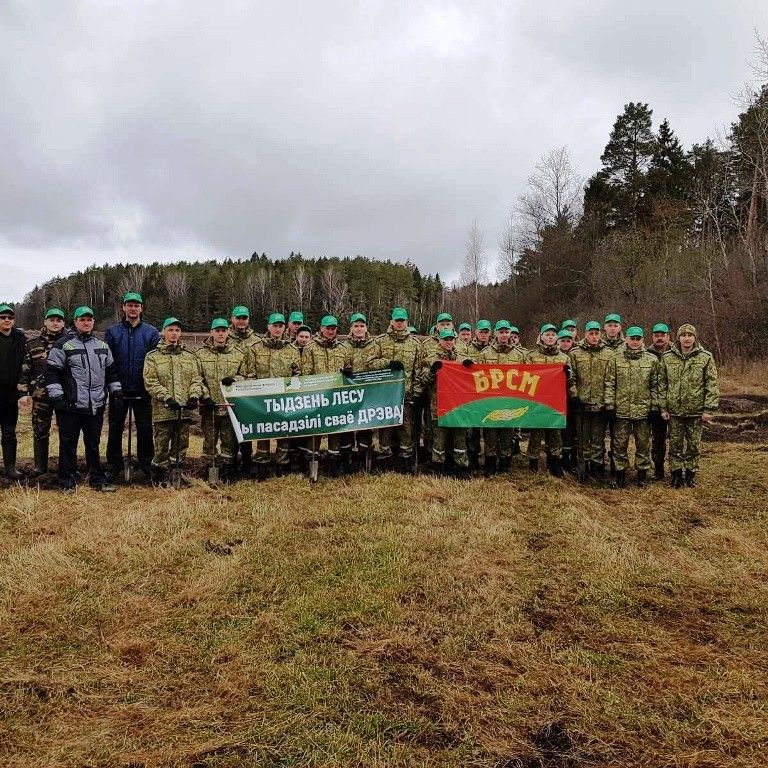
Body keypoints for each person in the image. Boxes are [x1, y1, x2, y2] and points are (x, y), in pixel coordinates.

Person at [45, 306, 122, 492]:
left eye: (89, 319)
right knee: (68, 444)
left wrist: (116, 391)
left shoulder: (102, 346)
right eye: (82, 319)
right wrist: (57, 398)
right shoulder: (63, 345)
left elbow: (111, 372)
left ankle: (97, 479)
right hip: (70, 405)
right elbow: (52, 373)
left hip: (95, 405)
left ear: (93, 322)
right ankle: (67, 481)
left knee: (93, 443)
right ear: (75, 322)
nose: (86, 322)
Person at [104, 292, 160, 481]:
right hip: (119, 389)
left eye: (136, 305)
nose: (133, 308)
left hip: (142, 389)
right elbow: (108, 362)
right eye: (130, 305)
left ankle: (145, 463)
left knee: (145, 428)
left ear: (141, 308)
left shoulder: (151, 332)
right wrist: (113, 386)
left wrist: (148, 385)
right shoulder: (112, 332)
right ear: (124, 307)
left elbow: (155, 361)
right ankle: (114, 464)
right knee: (115, 428)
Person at [143, 318, 204, 487]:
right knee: (161, 446)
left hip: (183, 410)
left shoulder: (189, 357)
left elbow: (196, 379)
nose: (174, 334)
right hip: (163, 410)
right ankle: (158, 478)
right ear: (163, 332)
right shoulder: (153, 357)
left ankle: (176, 475)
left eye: (177, 330)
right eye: (170, 330)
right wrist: (167, 397)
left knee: (181, 445)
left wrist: (193, 396)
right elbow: (150, 381)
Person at [658, 324, 719, 488]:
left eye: (690, 335)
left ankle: (691, 475)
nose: (686, 338)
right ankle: (676, 474)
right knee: (675, 445)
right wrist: (663, 408)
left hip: (696, 411)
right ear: (678, 338)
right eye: (683, 335)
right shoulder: (667, 357)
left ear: (695, 338)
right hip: (674, 411)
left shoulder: (705, 357)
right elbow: (662, 384)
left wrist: (709, 409)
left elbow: (711, 384)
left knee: (693, 445)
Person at [366, 307, 424, 473]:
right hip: (385, 394)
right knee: (385, 427)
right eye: (396, 320)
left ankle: (405, 461)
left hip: (406, 394)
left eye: (402, 320)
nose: (399, 323)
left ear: (406, 322)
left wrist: (416, 393)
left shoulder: (414, 344)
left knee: (406, 428)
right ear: (391, 321)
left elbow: (418, 371)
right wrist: (387, 363)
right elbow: (369, 364)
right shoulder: (380, 341)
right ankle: (384, 460)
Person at [604, 327, 661, 487]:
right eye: (632, 338)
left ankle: (642, 475)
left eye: (638, 339)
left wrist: (655, 408)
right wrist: (609, 406)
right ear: (626, 339)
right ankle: (619, 475)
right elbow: (610, 383)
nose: (635, 342)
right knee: (619, 444)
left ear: (643, 340)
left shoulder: (651, 360)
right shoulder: (616, 359)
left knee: (643, 444)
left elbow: (656, 385)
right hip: (621, 411)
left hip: (643, 412)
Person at [196, 318, 248, 483]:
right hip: (209, 407)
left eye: (223, 330)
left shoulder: (238, 354)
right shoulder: (200, 354)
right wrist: (205, 396)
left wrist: (234, 379)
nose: (220, 334)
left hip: (229, 408)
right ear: (212, 332)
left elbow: (246, 376)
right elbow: (196, 378)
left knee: (229, 444)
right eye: (217, 330)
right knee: (209, 443)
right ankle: (208, 473)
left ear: (228, 332)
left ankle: (227, 473)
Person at [301, 315, 353, 476]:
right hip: (317, 398)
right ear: (321, 328)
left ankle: (334, 465)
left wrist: (347, 373)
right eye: (328, 328)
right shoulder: (310, 348)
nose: (330, 331)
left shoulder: (343, 349)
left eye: (333, 328)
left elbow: (348, 370)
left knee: (335, 432)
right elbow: (306, 374)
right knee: (315, 432)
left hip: (336, 399)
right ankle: (310, 465)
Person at [250, 312, 301, 477]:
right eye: (275, 326)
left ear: (284, 327)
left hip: (284, 400)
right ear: (268, 327)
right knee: (263, 432)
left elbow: (298, 373)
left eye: (280, 326)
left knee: (283, 432)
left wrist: (291, 387)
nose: (277, 329)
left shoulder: (291, 349)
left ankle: (282, 465)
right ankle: (261, 466)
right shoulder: (256, 348)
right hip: (262, 399)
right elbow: (250, 374)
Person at [19, 307, 68, 477]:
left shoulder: (70, 343)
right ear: (45, 322)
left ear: (63, 323)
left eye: (59, 320)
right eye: (52, 320)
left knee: (67, 432)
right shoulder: (32, 344)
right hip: (40, 396)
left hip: (64, 395)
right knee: (40, 430)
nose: (55, 323)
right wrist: (23, 393)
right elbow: (25, 370)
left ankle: (66, 467)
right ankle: (40, 468)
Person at [525, 324, 576, 477]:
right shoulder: (531, 356)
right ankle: (533, 462)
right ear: (541, 337)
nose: (550, 337)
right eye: (547, 335)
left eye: (553, 335)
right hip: (537, 401)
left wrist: (573, 394)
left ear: (557, 338)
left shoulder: (564, 357)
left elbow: (571, 380)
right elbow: (525, 377)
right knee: (536, 433)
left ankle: (555, 463)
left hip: (556, 401)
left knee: (555, 433)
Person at [419, 328, 470, 477]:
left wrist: (469, 367)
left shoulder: (461, 357)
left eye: (451, 339)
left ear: (455, 340)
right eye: (445, 339)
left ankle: (461, 467)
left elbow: (472, 379)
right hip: (439, 404)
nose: (449, 342)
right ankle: (438, 467)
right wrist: (432, 372)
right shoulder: (430, 357)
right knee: (439, 439)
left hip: (459, 405)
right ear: (440, 340)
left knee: (460, 438)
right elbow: (423, 380)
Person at [479, 320, 527, 475]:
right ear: (496, 333)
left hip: (510, 400)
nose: (504, 335)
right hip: (491, 400)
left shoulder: (520, 355)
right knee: (490, 433)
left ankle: (505, 462)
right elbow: (477, 376)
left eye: (507, 332)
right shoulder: (485, 353)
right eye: (501, 332)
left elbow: (528, 376)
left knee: (507, 432)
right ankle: (490, 462)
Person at [569, 320, 614, 481]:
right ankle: (583, 468)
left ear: (600, 334)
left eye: (596, 334)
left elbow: (611, 380)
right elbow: (571, 378)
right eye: (591, 334)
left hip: (600, 405)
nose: (594, 337)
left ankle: (597, 467)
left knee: (598, 438)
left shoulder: (609, 354)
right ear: (585, 334)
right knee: (582, 439)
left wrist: (608, 404)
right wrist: (574, 396)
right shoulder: (575, 353)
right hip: (582, 404)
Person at [228, 305, 261, 474]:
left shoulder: (255, 340)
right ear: (232, 319)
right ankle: (231, 462)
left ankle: (247, 461)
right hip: (230, 390)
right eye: (238, 318)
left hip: (248, 390)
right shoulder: (225, 338)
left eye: (244, 318)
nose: (241, 321)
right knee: (230, 429)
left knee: (246, 428)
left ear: (248, 320)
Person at [342, 312, 376, 472]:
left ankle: (364, 459)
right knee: (347, 426)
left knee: (365, 427)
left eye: (362, 325)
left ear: (366, 327)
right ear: (351, 328)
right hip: (347, 393)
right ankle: (347, 459)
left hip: (367, 393)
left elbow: (379, 364)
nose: (359, 328)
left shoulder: (374, 345)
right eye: (356, 325)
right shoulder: (344, 346)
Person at [0, 303, 28, 479]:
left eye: (10, 317)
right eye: (3, 317)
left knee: (9, 431)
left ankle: (10, 467)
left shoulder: (20, 338)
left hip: (10, 393)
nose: (7, 320)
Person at [646, 322, 672, 480]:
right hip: (653, 405)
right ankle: (658, 468)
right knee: (657, 438)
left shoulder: (676, 353)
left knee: (674, 439)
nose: (660, 338)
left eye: (663, 335)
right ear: (652, 337)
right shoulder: (646, 353)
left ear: (668, 337)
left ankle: (678, 468)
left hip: (673, 403)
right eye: (657, 335)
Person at [465, 320, 492, 469]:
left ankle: (489, 459)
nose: (483, 334)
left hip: (492, 395)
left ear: (490, 333)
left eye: (486, 332)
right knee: (473, 430)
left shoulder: (495, 350)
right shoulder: (467, 349)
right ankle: (473, 458)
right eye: (481, 331)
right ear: (476, 332)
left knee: (490, 429)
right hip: (473, 395)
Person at [557, 329, 577, 471]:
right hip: (554, 398)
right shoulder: (554, 356)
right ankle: (557, 457)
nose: (565, 344)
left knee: (570, 429)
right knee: (557, 429)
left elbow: (575, 380)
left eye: (568, 341)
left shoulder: (575, 356)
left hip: (569, 398)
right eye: (562, 341)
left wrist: (574, 395)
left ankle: (569, 458)